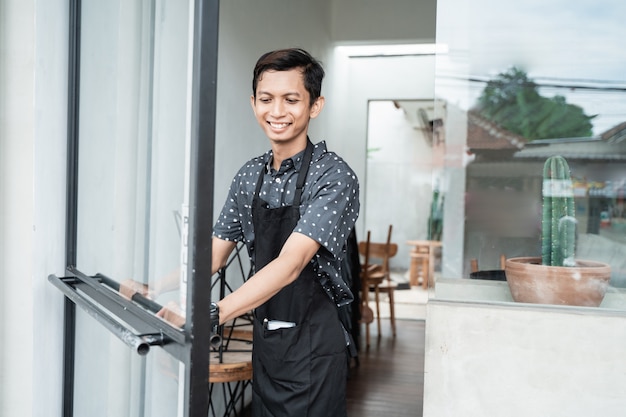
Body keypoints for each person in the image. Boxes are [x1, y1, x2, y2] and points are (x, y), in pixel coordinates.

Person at [211, 48, 360, 417]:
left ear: (315, 105)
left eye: (291, 100)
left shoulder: (333, 176)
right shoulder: (249, 176)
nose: (277, 111)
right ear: (253, 103)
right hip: (267, 344)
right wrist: (162, 290)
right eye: (266, 99)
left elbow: (292, 263)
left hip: (313, 349)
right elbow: (213, 255)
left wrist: (215, 313)